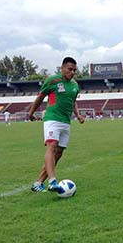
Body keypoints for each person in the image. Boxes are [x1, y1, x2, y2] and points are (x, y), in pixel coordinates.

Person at [28, 57, 85, 192]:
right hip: (52, 118)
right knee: (52, 147)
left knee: (58, 153)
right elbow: (40, 97)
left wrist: (78, 115)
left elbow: (73, 102)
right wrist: (31, 113)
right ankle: (53, 181)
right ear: (62, 68)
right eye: (69, 69)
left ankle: (39, 183)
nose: (72, 72)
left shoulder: (75, 85)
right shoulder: (53, 80)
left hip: (66, 121)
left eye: (74, 70)